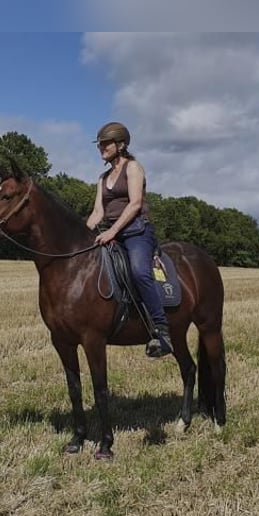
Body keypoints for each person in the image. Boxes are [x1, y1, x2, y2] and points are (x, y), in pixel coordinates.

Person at [86, 121, 173, 358]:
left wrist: (112, 231)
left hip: (136, 232)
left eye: (105, 143)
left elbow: (135, 204)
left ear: (120, 144)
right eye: (99, 144)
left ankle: (161, 331)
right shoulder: (102, 179)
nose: (101, 147)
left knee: (139, 271)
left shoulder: (133, 168)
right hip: (110, 232)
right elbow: (97, 213)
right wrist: (82, 235)